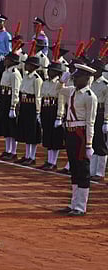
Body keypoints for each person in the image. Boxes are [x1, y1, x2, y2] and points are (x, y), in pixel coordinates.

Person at [55, 64, 97, 216]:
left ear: (86, 79)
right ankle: (73, 203)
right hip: (70, 132)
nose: (75, 79)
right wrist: (61, 80)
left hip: (81, 133)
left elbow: (90, 121)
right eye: (75, 76)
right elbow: (57, 91)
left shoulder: (90, 96)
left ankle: (81, 206)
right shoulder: (72, 91)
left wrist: (89, 144)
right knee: (73, 168)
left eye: (78, 77)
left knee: (82, 169)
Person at [15, 56, 43, 166]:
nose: (26, 66)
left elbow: (38, 96)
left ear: (33, 66)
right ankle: (27, 155)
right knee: (26, 130)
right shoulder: (25, 76)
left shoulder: (37, 79)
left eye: (28, 64)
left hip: (32, 106)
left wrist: (37, 111)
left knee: (32, 131)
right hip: (25, 104)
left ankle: (32, 156)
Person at [0, 52, 22, 161]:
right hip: (4, 99)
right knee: (6, 126)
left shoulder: (15, 73)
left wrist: (13, 106)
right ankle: (7, 150)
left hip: (10, 100)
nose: (5, 61)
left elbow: (16, 90)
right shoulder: (6, 71)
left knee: (12, 127)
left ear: (12, 61)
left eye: (7, 59)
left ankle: (13, 151)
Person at [38, 62, 64, 170]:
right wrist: (39, 112)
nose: (49, 72)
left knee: (55, 137)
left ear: (57, 73)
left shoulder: (59, 84)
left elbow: (61, 101)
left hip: (54, 109)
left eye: (51, 70)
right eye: (48, 70)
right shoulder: (45, 83)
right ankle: (49, 161)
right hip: (46, 108)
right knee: (48, 134)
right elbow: (41, 97)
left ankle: (53, 162)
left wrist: (59, 116)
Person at [87, 58, 108, 181]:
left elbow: (107, 104)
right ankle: (92, 170)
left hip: (100, 114)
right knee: (93, 141)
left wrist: (106, 121)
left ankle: (100, 172)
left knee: (101, 144)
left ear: (100, 70)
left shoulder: (105, 85)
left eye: (95, 69)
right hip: (92, 113)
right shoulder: (91, 82)